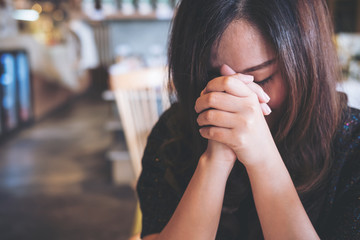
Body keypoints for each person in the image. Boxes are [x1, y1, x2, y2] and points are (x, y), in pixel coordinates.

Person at [137, 0, 360, 239]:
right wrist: (216, 160)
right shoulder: (173, 133)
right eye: (215, 79)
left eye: (261, 79)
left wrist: (263, 159)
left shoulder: (351, 145)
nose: (239, 100)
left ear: (305, 61)